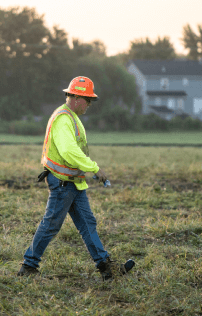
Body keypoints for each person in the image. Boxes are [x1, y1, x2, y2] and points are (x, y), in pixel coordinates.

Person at [18, 76, 134, 281]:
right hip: (63, 183)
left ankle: (106, 267)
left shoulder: (71, 117)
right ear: (77, 98)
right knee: (51, 224)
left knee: (88, 223)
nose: (89, 104)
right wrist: (94, 168)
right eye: (88, 100)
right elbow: (69, 151)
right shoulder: (64, 119)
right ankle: (28, 266)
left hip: (73, 183)